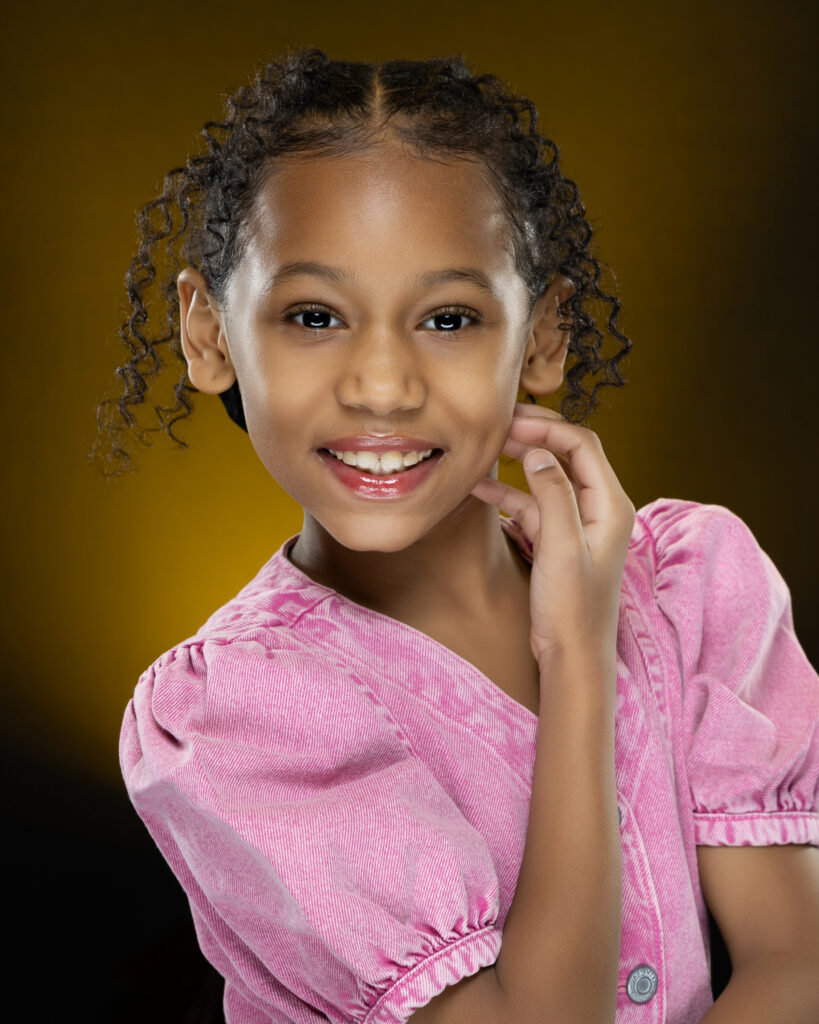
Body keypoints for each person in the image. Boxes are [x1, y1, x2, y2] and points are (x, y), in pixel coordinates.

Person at [93, 47, 819, 1024]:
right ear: (209, 334)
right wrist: (577, 656)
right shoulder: (237, 717)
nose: (383, 384)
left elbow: (798, 966)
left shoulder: (693, 585)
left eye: (447, 317)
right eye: (315, 314)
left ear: (544, 334)